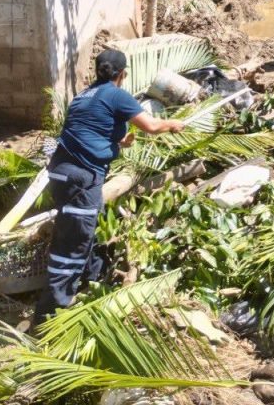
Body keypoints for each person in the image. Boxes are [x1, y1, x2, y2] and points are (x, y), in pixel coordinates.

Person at [33, 50, 185, 325]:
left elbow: (85, 132)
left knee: (81, 229)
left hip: (61, 173)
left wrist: (117, 143)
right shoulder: (116, 94)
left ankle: (93, 279)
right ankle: (47, 317)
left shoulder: (84, 96)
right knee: (73, 242)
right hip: (81, 177)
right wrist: (172, 123)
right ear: (122, 75)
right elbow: (151, 126)